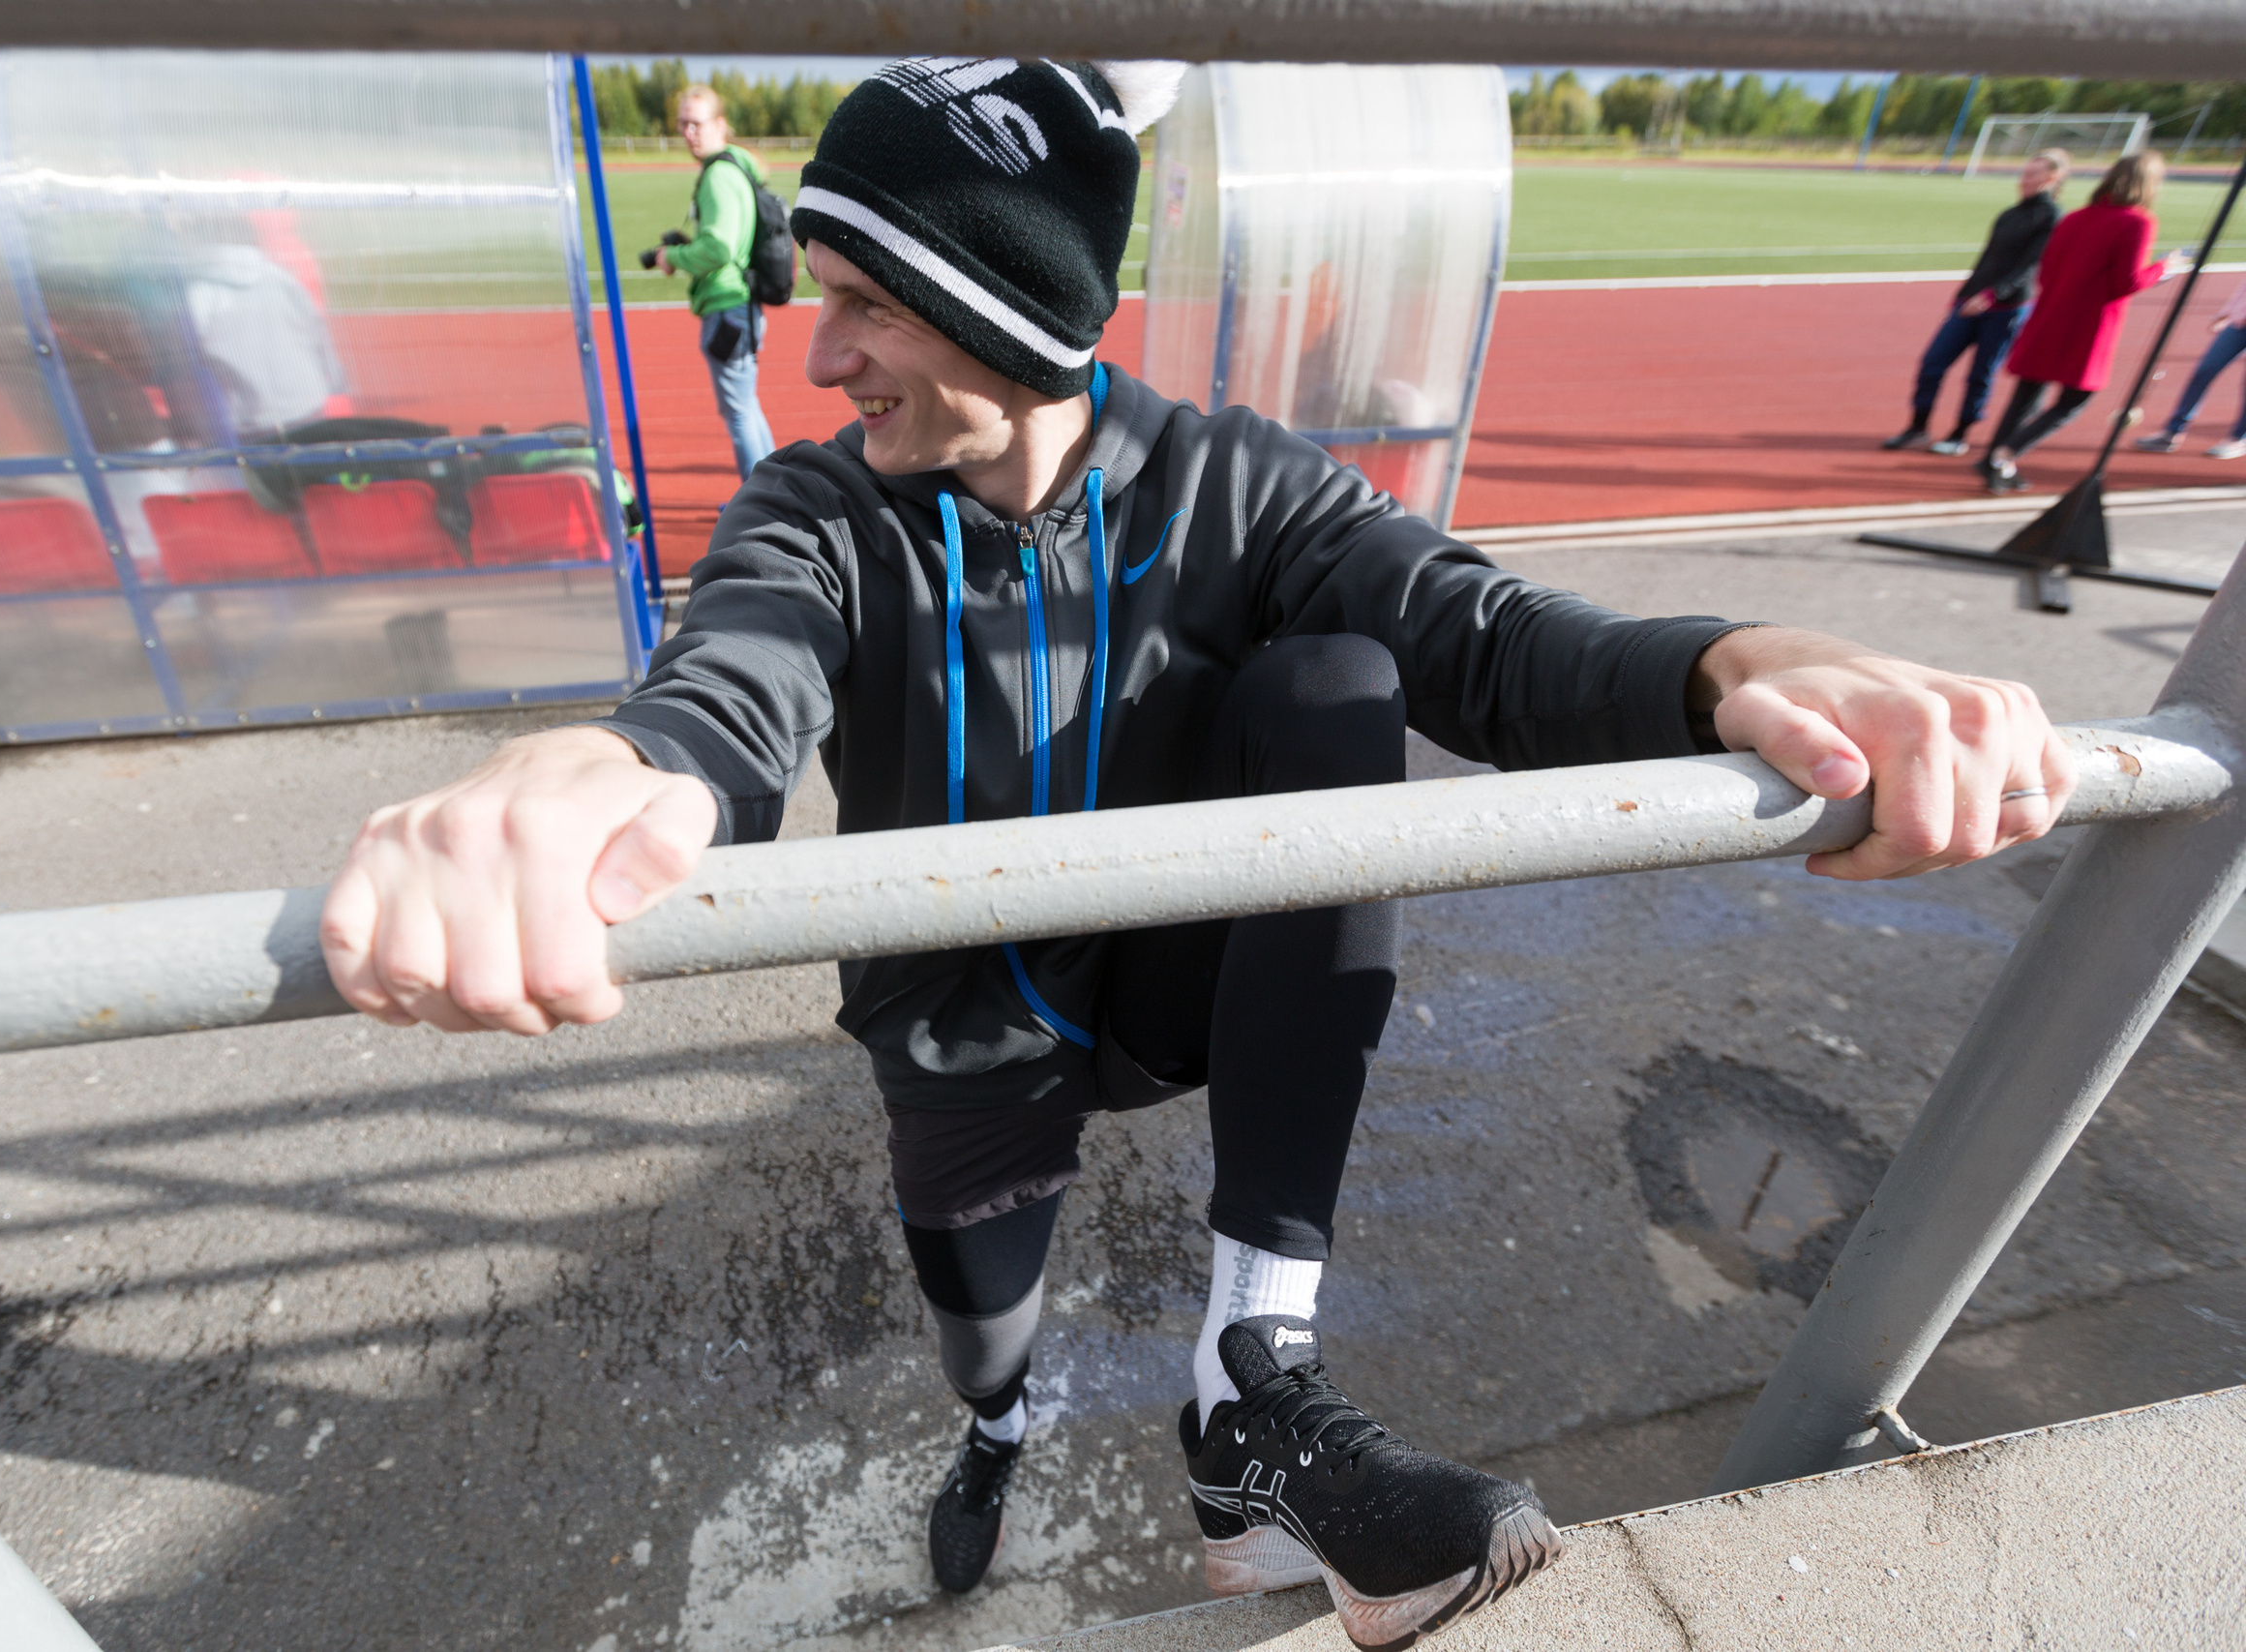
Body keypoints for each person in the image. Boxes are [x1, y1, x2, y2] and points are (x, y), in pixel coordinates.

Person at [321, 59, 2076, 1646]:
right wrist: (612, 769)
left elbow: (1491, 638)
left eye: (863, 300)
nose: (821, 350)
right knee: (982, 1335)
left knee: (1339, 679)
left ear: (998, 306)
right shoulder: (823, 503)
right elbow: (733, 681)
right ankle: (994, 1433)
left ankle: (1254, 1380)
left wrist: (1739, 663)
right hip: (962, 1029)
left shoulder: (1241, 485)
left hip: (1189, 986)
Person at [1979, 150, 2193, 494]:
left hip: (2052, 313)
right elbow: (2129, 281)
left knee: (2026, 395)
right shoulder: (2137, 221)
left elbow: (2046, 271)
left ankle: (1995, 459)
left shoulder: (2076, 218)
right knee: (2073, 400)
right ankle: (2005, 453)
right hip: (2090, 323)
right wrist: (2163, 268)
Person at [1882, 149, 2068, 456]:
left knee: (1980, 374)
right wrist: (1964, 294)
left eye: (2034, 174)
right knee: (1933, 362)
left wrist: (1994, 294)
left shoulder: (2051, 217)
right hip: (1971, 302)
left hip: (2005, 310)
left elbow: (2031, 266)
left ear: (2052, 178)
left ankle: (1959, 434)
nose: (2025, 179)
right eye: (2025, 172)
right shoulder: (2010, 214)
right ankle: (1918, 427)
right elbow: (1989, 259)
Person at [648, 84, 776, 480]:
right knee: (745, 407)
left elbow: (719, 247)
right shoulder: (734, 168)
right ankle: (774, 495)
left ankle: (762, 506)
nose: (689, 132)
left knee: (738, 414)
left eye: (697, 123)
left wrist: (674, 257)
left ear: (720, 125)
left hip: (727, 305)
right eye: (683, 123)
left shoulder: (718, 174)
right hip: (740, 302)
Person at [2132, 276, 2246, 460]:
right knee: (2204, 370)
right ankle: (2173, 431)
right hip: (2239, 324)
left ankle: (2238, 438)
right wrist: (2226, 312)